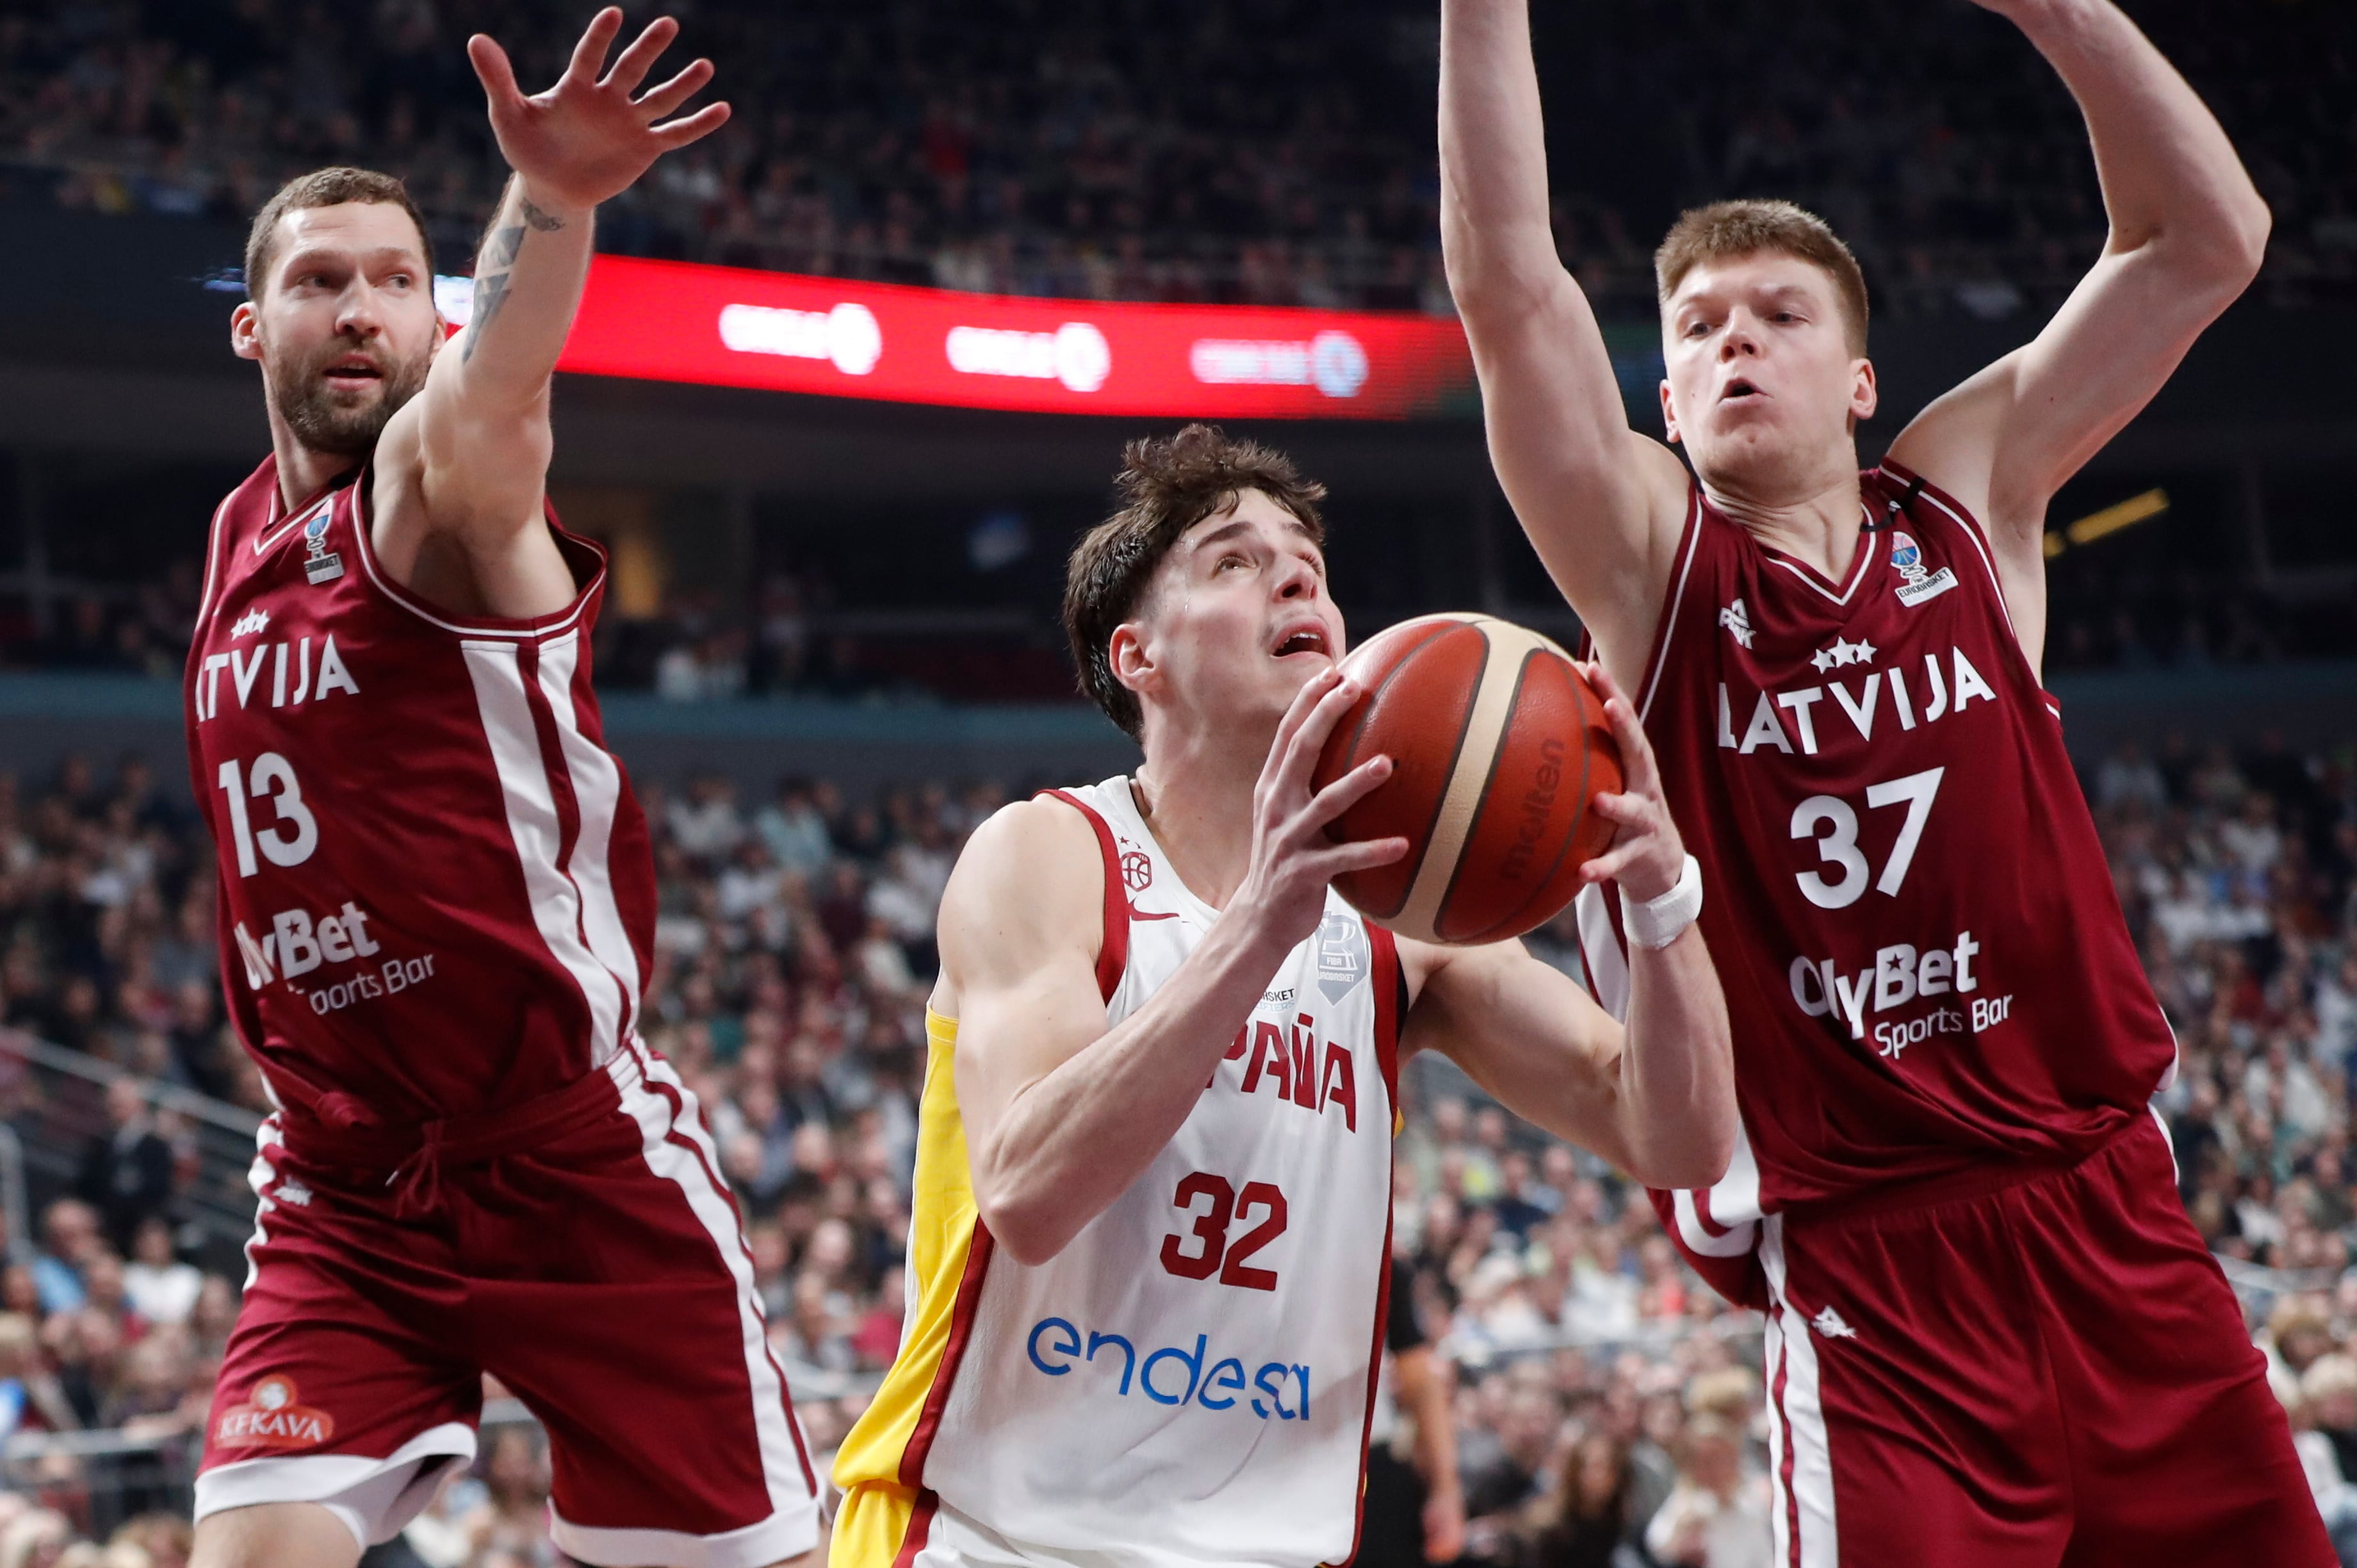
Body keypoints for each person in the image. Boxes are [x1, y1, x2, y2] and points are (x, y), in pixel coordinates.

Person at [1439, 0, 2330, 1561]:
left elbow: (2208, 238)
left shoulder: (1967, 496)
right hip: (1873, 1273)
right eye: (1697, 325)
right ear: (1659, 401)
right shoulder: (1653, 568)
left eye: (1775, 314)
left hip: (2112, 1212)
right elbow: (1513, 296)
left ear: (1859, 380)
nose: (1730, 340)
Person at [829, 425, 1739, 1567]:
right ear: (1139, 658)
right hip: (993, 1535)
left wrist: (1663, 903)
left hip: (1271, 1547)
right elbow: (1024, 1189)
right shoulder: (1049, 854)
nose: (1295, 573)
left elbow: (1681, 1135)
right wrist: (1257, 933)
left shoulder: (1398, 931)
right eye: (1233, 560)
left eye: (1306, 559)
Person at [183, 12, 819, 1568]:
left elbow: (500, 402)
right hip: (341, 1182)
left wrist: (555, 201)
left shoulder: (433, 492)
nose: (361, 313)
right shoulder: (233, 538)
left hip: (569, 1159)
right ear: (253, 329)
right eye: (319, 282)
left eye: (397, 283)